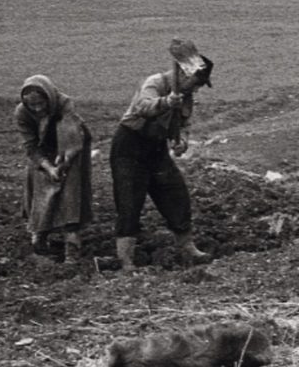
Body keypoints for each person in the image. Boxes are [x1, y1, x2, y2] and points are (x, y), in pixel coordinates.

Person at [110, 39, 214, 268]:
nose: (196, 89)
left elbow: (185, 123)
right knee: (129, 201)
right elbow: (142, 107)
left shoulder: (186, 98)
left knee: (175, 193)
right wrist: (167, 102)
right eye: (196, 83)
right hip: (130, 145)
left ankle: (187, 247)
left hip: (156, 149)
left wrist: (182, 142)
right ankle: (125, 259)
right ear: (185, 76)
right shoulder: (155, 82)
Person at [14, 75, 93, 261]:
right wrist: (48, 167)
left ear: (48, 98)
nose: (37, 109)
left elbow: (72, 138)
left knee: (70, 195)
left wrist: (64, 161)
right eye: (32, 106)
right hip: (42, 152)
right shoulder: (22, 113)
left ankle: (72, 249)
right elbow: (31, 146)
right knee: (40, 194)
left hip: (70, 147)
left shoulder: (64, 104)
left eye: (41, 103)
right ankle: (39, 242)